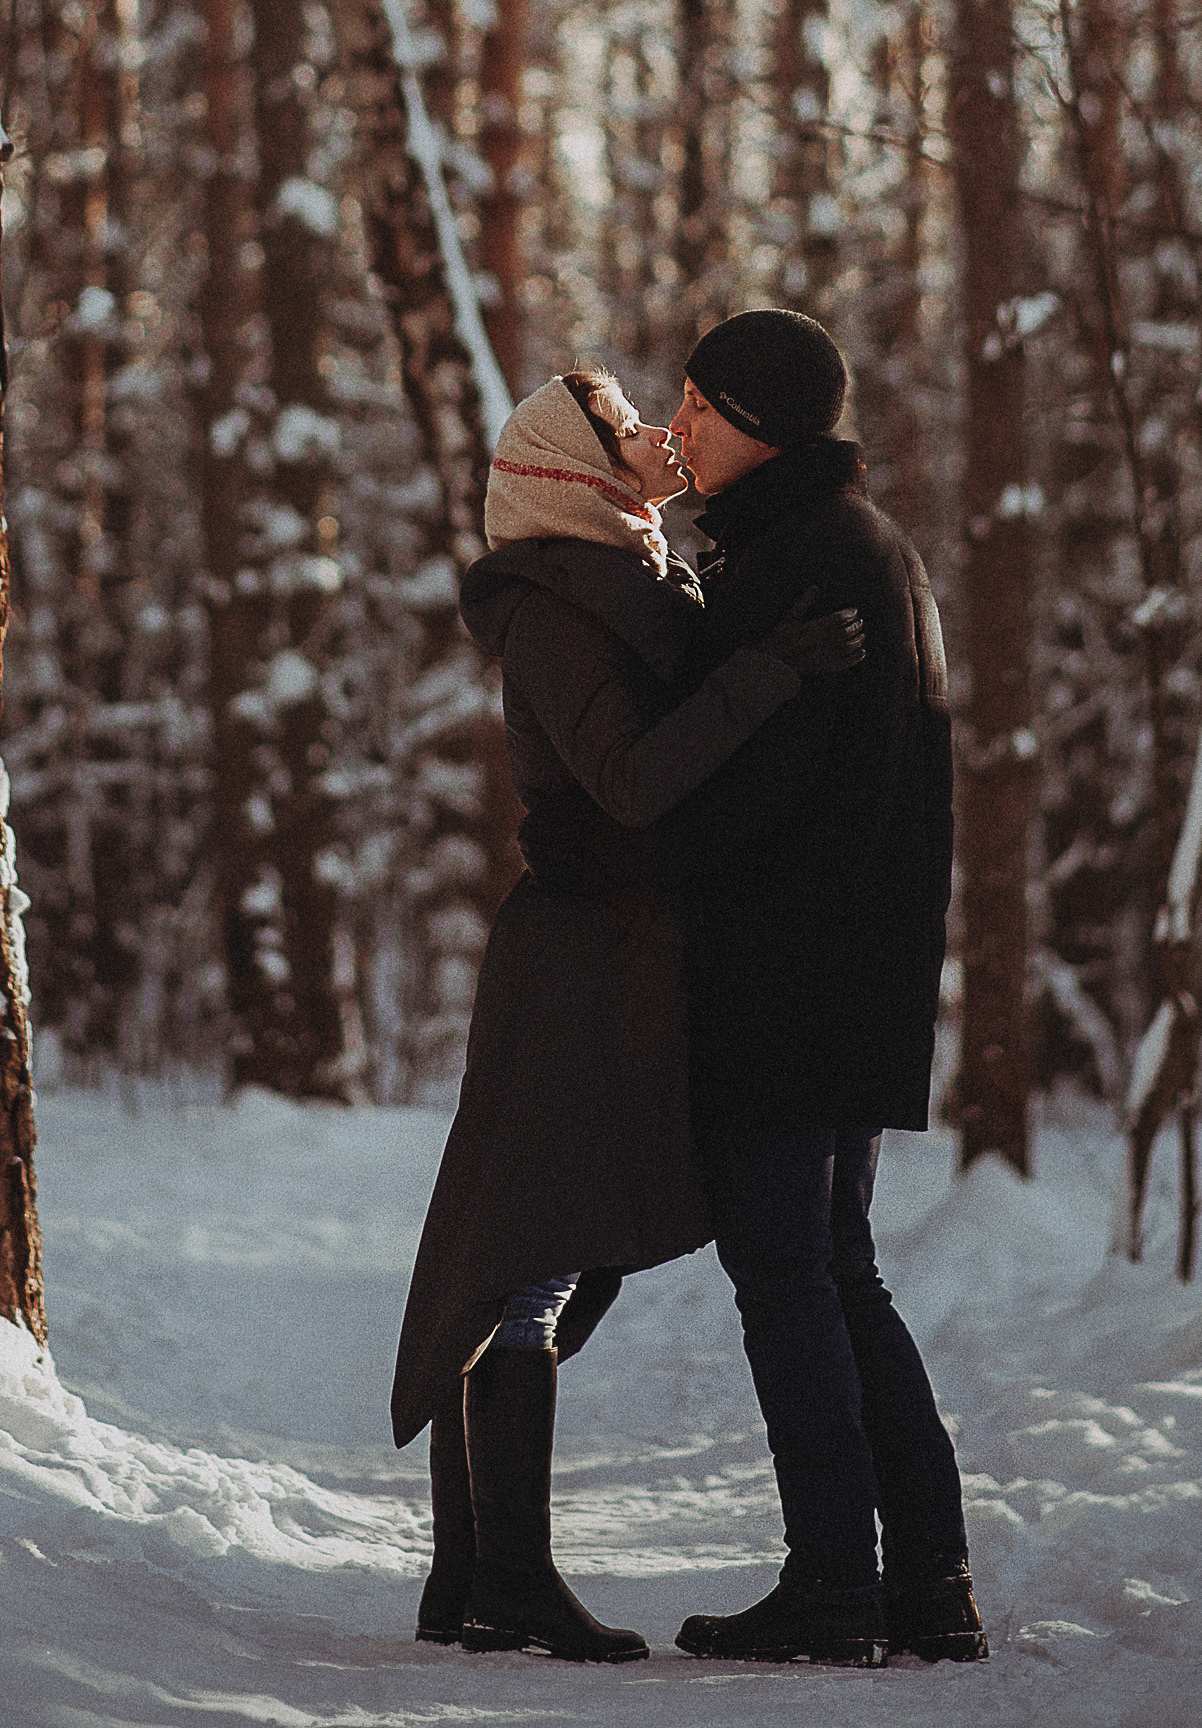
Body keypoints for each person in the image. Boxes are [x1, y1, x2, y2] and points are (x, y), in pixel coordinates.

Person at [391, 367, 865, 1663]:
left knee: (535, 1250)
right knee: (528, 1251)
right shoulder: (555, 605)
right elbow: (634, 778)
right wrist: (769, 670)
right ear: (574, 467)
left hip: (614, 955)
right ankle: (512, 1582)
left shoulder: (625, 583)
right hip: (573, 962)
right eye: (624, 426)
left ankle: (476, 1581)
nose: (658, 433)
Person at [643, 308, 986, 1668]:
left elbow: (734, 797)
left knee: (788, 1276)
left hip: (786, 979)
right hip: (863, 974)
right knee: (838, 1273)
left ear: (764, 424)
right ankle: (931, 1584)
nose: (677, 431)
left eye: (701, 408)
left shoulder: (792, 562)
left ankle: (838, 1584)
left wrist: (640, 845)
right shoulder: (871, 547)